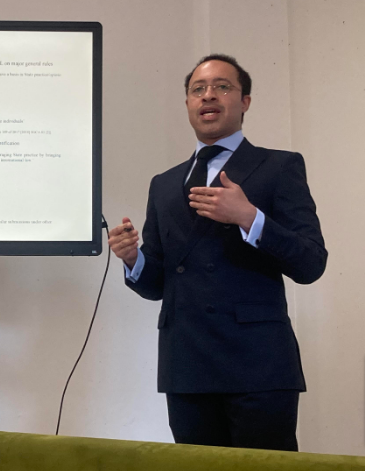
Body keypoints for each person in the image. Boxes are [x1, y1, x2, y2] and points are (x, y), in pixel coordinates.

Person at [107, 54, 327, 451]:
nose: (208, 95)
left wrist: (249, 217)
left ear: (245, 101)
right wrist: (133, 259)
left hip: (258, 364)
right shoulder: (164, 184)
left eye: (222, 87)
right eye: (198, 89)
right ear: (188, 103)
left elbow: (311, 262)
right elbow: (157, 285)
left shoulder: (279, 167)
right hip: (186, 363)